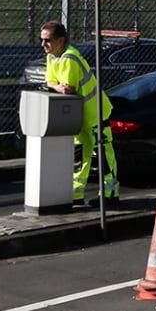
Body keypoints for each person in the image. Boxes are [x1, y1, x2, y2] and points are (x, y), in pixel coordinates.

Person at [39, 21, 119, 203]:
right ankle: (76, 193)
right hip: (79, 115)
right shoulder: (52, 57)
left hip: (96, 113)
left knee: (104, 154)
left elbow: (67, 88)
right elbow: (51, 82)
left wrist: (54, 86)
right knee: (80, 154)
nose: (43, 45)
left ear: (60, 40)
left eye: (47, 40)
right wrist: (54, 85)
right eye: (41, 40)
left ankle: (111, 193)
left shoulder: (69, 58)